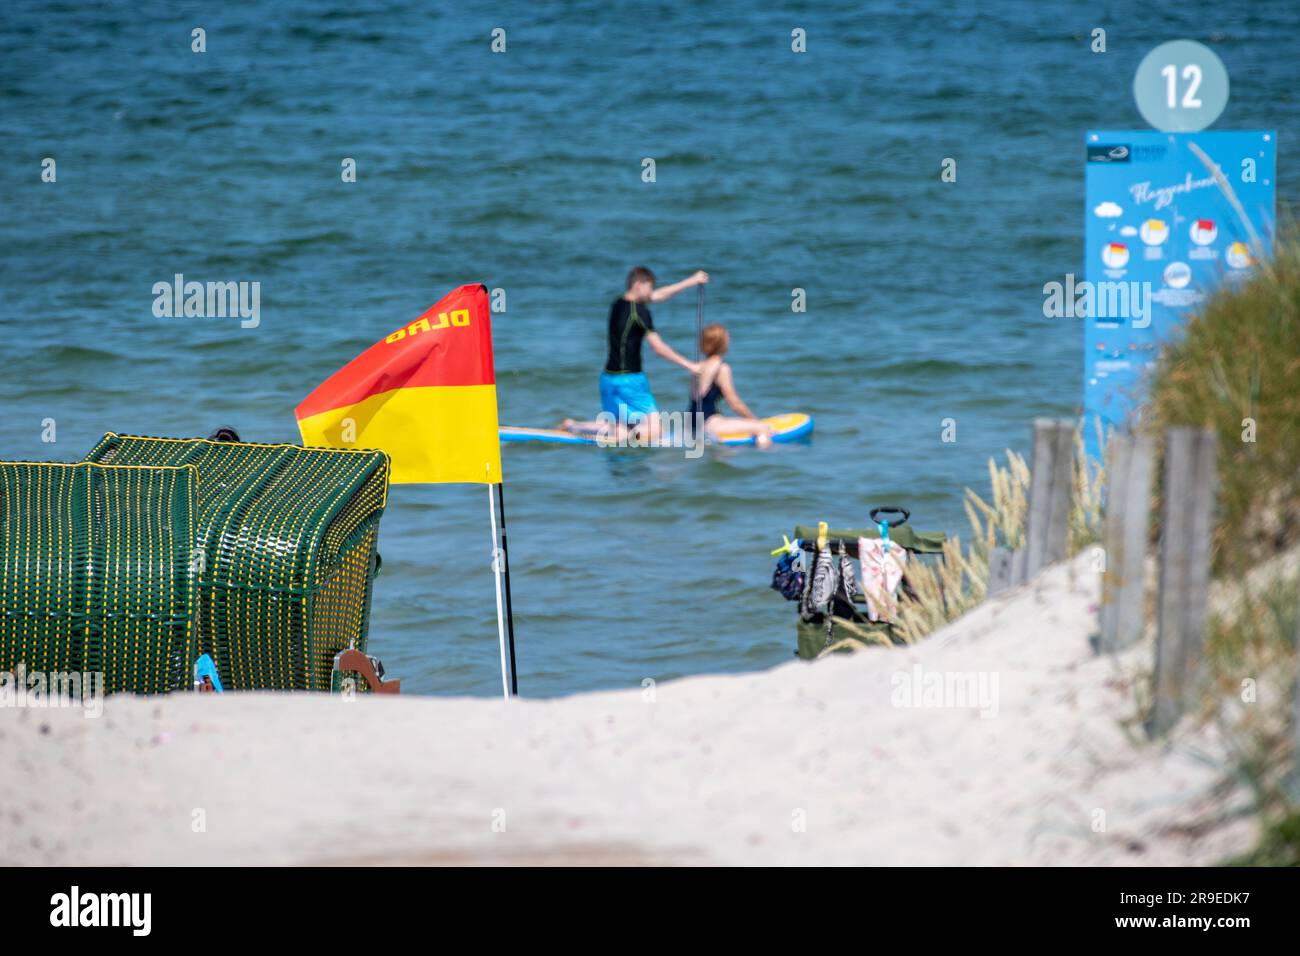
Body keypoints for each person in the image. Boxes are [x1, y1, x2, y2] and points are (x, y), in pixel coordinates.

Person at [564, 266, 707, 440]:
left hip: (608, 380)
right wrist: (690, 365)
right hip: (630, 383)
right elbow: (658, 348)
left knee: (618, 424)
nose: (651, 293)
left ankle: (575, 426)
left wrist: (692, 281)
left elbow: (658, 296)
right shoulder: (640, 312)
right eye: (650, 287)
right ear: (639, 284)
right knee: (657, 431)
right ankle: (621, 435)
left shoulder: (617, 304)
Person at [687, 323, 772, 447]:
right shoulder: (721, 369)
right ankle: (766, 461)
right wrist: (756, 421)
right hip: (708, 424)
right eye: (727, 338)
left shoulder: (698, 366)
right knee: (762, 429)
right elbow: (734, 403)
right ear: (721, 343)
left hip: (692, 423)